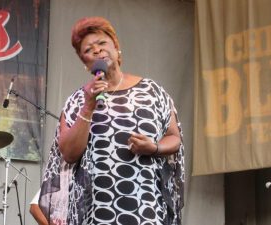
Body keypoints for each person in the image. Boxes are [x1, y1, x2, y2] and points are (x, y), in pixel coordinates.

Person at [39, 16, 184, 225]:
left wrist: (154, 148)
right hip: (97, 210)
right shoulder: (76, 100)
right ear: (85, 63)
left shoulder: (152, 91)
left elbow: (174, 137)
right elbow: (69, 153)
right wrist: (88, 105)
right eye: (88, 50)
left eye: (102, 43)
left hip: (146, 206)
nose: (97, 50)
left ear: (116, 48)